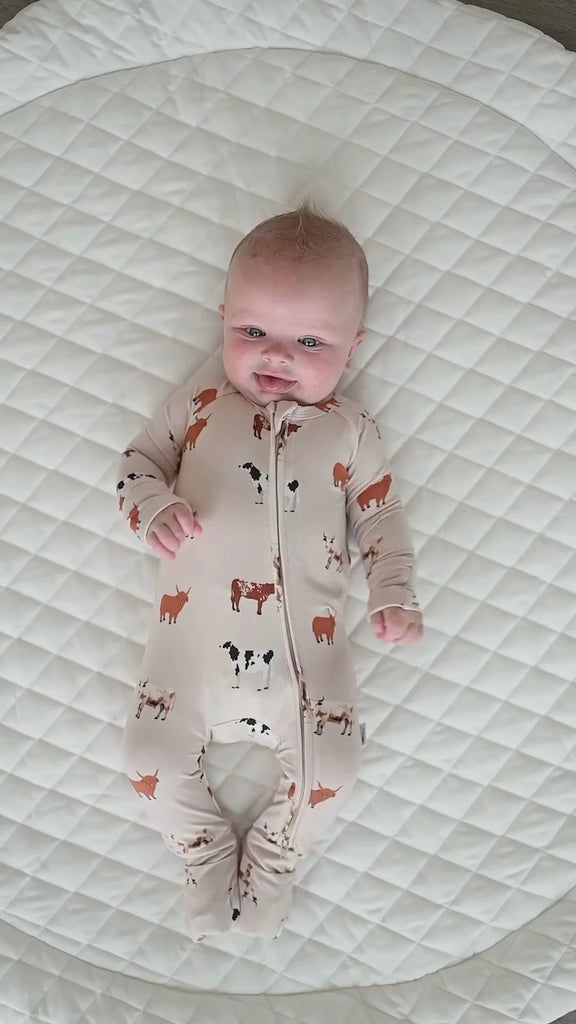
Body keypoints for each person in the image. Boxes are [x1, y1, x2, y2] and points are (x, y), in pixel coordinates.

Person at [117, 201, 423, 941]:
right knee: (146, 756)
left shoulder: (351, 430)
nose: (277, 357)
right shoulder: (201, 405)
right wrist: (152, 506)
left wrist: (392, 588)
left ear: (352, 349)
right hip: (190, 653)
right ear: (222, 319)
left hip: (305, 665)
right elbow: (138, 462)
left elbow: (380, 514)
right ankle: (202, 852)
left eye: (309, 341)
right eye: (253, 332)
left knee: (336, 767)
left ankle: (278, 855)